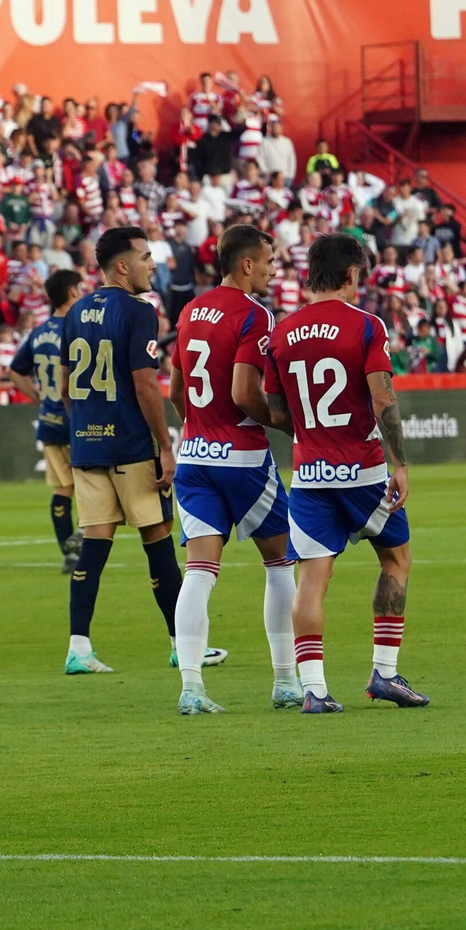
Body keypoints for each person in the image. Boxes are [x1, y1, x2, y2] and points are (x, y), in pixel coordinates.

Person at [264, 233, 427, 713]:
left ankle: (313, 689)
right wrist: (399, 463)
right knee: (395, 560)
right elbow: (383, 399)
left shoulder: (282, 332)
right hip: (362, 471)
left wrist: (310, 435)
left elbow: (276, 409)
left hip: (310, 475)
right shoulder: (366, 325)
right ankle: (385, 673)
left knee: (313, 577)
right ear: (352, 274)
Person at [169, 225, 299, 714]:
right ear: (246, 264)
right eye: (268, 260)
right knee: (280, 560)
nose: (271, 268)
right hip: (241, 459)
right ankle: (286, 681)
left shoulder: (189, 311)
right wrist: (288, 426)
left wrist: (202, 430)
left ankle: (191, 687)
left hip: (194, 457)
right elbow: (247, 394)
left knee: (199, 572)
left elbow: (177, 393)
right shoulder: (254, 315)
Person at [58, 226, 181, 676]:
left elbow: (67, 385)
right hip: (130, 444)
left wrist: (84, 425)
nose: (153, 264)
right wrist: (165, 446)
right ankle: (181, 643)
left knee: (94, 542)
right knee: (157, 537)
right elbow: (146, 382)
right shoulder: (138, 310)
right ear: (122, 266)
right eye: (146, 256)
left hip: (87, 444)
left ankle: (78, 647)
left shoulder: (74, 312)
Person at [8, 270, 87, 573]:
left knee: (61, 490)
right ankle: (84, 537)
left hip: (50, 419)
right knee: (89, 487)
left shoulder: (39, 332)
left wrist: (38, 398)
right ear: (71, 292)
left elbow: (16, 371)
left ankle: (67, 553)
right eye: (79, 289)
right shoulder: (79, 327)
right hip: (80, 420)